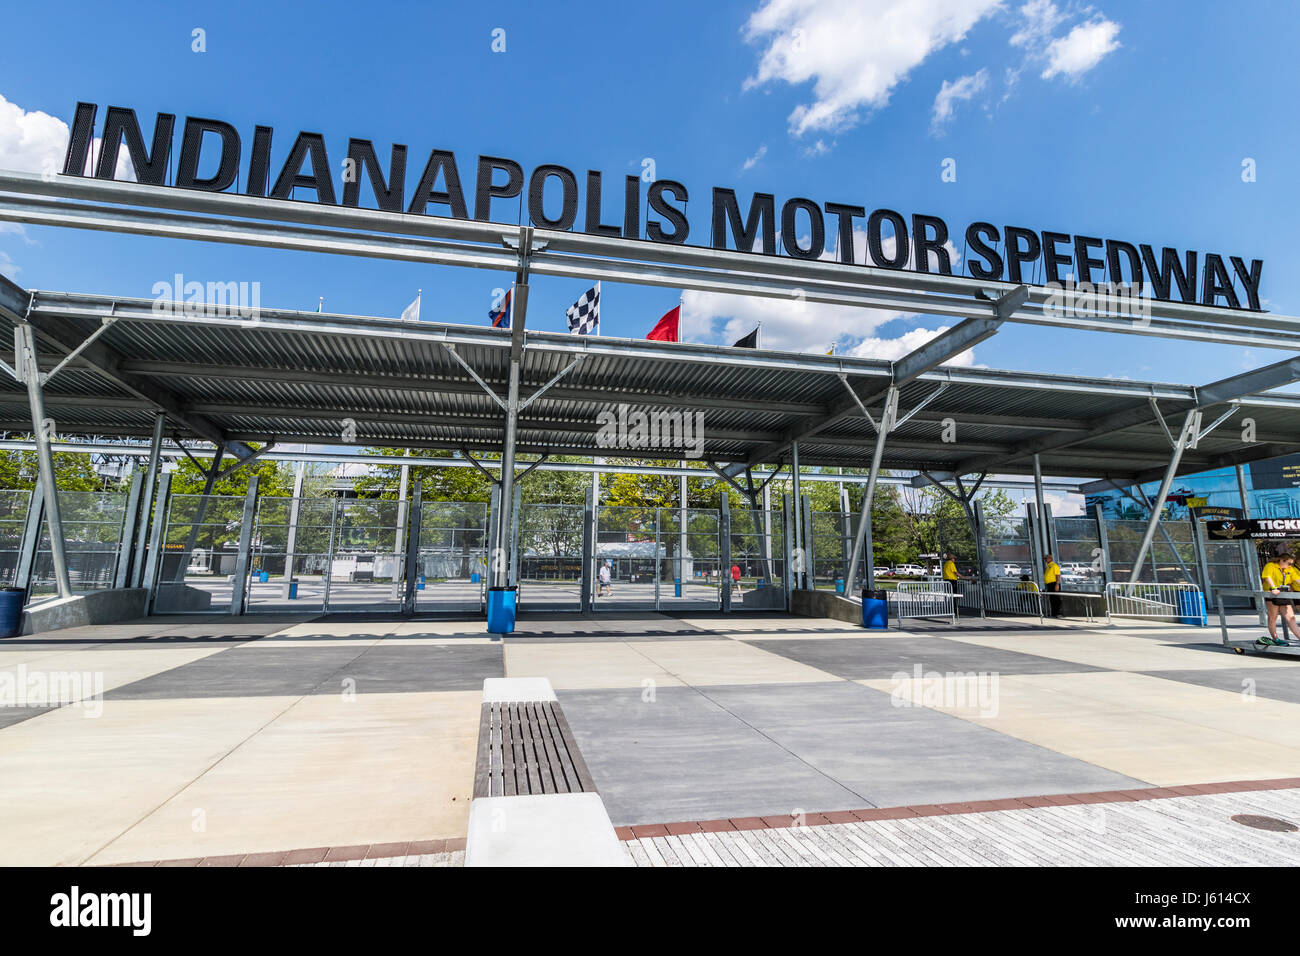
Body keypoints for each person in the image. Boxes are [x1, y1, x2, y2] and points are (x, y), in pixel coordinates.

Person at [1259, 546, 1300, 645]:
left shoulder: (1289, 569)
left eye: (1292, 564)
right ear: (1282, 560)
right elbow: (1267, 576)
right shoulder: (1271, 565)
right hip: (1272, 594)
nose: (1290, 565)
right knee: (1273, 617)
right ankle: (1275, 638)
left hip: (1283, 594)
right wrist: (1273, 587)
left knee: (1291, 618)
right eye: (1289, 563)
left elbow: (1297, 579)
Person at [1043, 553, 1063, 618]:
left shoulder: (1054, 566)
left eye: (1046, 558)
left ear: (1050, 559)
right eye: (1045, 559)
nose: (1045, 560)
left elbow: (1058, 576)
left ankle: (1059, 613)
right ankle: (1054, 613)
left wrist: (1057, 584)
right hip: (1049, 584)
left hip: (1054, 584)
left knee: (1056, 599)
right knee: (1052, 599)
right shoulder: (1048, 566)